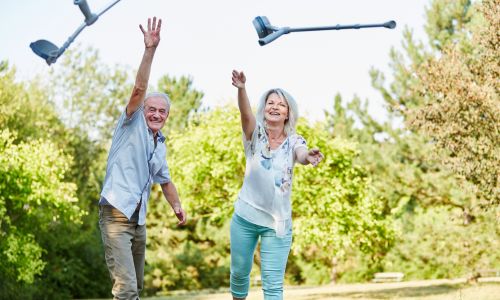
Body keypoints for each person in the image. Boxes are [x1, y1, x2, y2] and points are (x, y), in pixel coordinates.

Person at [98, 17, 187, 300]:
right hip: (116, 213)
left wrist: (177, 206)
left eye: (163, 112)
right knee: (126, 290)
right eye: (152, 109)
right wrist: (150, 50)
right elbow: (139, 87)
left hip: (139, 220)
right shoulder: (131, 124)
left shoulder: (159, 144)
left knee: (137, 287)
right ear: (142, 109)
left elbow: (166, 180)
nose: (157, 114)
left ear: (167, 117)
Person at [230, 70, 324, 300]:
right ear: (264, 109)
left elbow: (300, 154)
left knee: (273, 287)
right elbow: (245, 115)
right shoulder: (255, 135)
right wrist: (242, 89)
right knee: (240, 275)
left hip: (277, 224)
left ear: (287, 113)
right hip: (246, 217)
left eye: (281, 105)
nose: (275, 106)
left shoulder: (294, 140)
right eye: (270, 102)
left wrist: (308, 156)